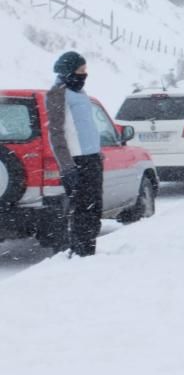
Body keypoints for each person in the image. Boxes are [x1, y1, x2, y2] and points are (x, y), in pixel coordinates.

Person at [46, 51, 102, 257]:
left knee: (95, 206)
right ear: (69, 71)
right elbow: (56, 133)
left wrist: (97, 152)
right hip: (76, 161)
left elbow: (85, 126)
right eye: (81, 70)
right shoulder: (58, 94)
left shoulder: (80, 93)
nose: (84, 74)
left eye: (85, 70)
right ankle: (80, 253)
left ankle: (90, 249)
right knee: (82, 208)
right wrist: (67, 165)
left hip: (92, 158)